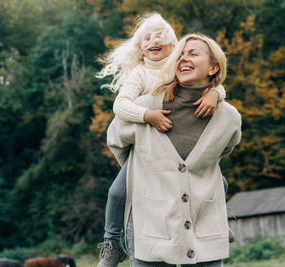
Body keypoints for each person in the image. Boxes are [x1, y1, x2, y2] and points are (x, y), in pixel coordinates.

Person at [96, 13, 226, 267]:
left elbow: (214, 82)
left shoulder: (177, 70)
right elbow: (120, 105)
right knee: (117, 191)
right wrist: (148, 115)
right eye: (147, 38)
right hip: (146, 150)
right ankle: (112, 243)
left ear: (173, 45)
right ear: (140, 47)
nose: (153, 41)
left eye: (159, 37)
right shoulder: (140, 74)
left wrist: (214, 94)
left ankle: (221, 222)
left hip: (180, 149)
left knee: (218, 183)